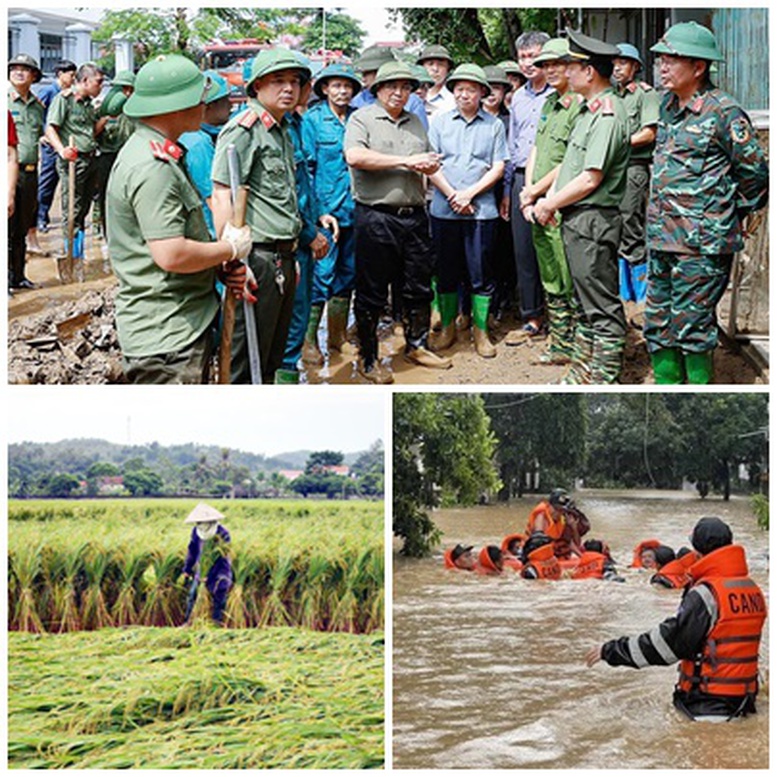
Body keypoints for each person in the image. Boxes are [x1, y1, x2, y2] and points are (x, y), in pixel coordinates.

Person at [106, 54, 252, 384]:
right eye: (198, 97)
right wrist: (229, 249)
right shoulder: (152, 167)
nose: (205, 103)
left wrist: (216, 264)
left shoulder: (162, 151)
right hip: (168, 335)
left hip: (182, 319)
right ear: (176, 105)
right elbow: (171, 254)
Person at [645, 22, 769, 384]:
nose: (663, 66)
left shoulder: (724, 112)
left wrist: (737, 212)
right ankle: (668, 386)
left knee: (692, 325)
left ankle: (695, 393)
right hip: (662, 237)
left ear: (698, 67)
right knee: (658, 321)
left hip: (701, 244)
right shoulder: (667, 107)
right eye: (661, 59)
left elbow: (756, 173)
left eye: (672, 59)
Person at [585, 517, 767, 721]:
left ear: (697, 552)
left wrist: (611, 650)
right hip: (746, 703)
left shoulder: (706, 594)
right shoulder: (753, 589)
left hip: (707, 707)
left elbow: (669, 644)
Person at [344, 60, 453, 383]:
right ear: (378, 89)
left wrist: (434, 171)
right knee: (372, 290)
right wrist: (406, 161)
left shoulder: (416, 122)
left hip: (415, 215)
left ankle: (416, 345)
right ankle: (368, 357)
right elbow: (355, 157)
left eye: (406, 87)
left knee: (418, 285)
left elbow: (428, 159)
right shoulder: (362, 119)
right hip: (376, 216)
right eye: (392, 86)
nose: (399, 92)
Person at [533, 29, 630, 384]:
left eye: (572, 65)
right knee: (587, 304)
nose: (565, 72)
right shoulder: (588, 111)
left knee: (600, 306)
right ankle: (583, 373)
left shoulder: (606, 114)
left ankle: (604, 377)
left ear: (589, 71)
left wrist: (548, 204)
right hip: (578, 218)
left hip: (593, 219)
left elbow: (591, 178)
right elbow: (571, 166)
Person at [212, 49, 311, 384]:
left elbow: (280, 200)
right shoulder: (244, 129)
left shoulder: (281, 130)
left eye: (295, 82)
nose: (289, 89)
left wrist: (289, 251)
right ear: (256, 87)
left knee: (270, 355)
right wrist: (233, 258)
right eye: (278, 81)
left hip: (282, 256)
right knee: (243, 360)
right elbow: (223, 193)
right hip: (256, 258)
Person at [427, 63, 508, 359]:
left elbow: (499, 166)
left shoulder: (494, 125)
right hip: (444, 209)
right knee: (445, 270)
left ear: (482, 93)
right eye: (459, 88)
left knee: (481, 272)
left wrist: (470, 194)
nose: (464, 94)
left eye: (471, 89)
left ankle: (480, 331)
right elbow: (431, 164)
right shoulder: (439, 122)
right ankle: (448, 326)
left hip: (481, 210)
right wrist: (453, 195)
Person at [519, 38, 584, 365]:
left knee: (567, 275)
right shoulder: (549, 105)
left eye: (557, 63)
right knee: (550, 276)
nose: (550, 70)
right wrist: (528, 189)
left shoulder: (581, 106)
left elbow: (569, 160)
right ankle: (559, 345)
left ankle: (576, 345)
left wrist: (538, 193)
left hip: (561, 204)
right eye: (546, 65)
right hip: (537, 203)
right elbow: (536, 150)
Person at [300, 62, 361, 366]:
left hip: (355, 209)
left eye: (347, 86)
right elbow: (306, 171)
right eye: (336, 85)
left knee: (348, 274)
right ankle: (309, 341)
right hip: (326, 213)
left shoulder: (358, 119)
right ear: (324, 89)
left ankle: (337, 337)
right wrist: (316, 211)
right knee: (321, 275)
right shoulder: (312, 121)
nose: (342, 91)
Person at [281, 68, 335, 383]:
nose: (297, 89)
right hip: (287, 242)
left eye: (298, 82)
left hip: (303, 234)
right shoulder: (276, 130)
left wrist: (318, 216)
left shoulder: (297, 124)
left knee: (296, 320)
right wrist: (309, 233)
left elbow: (303, 184)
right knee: (287, 329)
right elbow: (280, 197)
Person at [501, 30, 553, 343]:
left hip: (554, 179)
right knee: (524, 252)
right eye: (523, 57)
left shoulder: (562, 95)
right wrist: (509, 190)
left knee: (554, 250)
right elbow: (512, 145)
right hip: (521, 178)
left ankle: (561, 314)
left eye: (534, 56)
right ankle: (532, 315)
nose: (528, 63)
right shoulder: (518, 97)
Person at [612, 43, 659, 311]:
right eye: (615, 63)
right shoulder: (612, 96)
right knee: (616, 225)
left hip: (634, 167)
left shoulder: (645, 94)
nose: (617, 67)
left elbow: (648, 133)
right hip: (613, 169)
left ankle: (641, 298)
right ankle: (624, 293)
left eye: (623, 62)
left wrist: (618, 142)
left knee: (631, 224)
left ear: (635, 67)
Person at [45, 62, 109, 258]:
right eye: (98, 82)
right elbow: (50, 128)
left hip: (91, 159)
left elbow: (90, 132)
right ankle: (71, 254)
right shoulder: (64, 100)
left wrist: (106, 118)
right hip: (73, 162)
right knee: (71, 209)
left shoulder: (89, 104)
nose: (101, 86)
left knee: (84, 209)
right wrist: (62, 150)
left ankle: (79, 252)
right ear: (85, 81)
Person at [7, 54, 45, 291]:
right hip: (9, 171)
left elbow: (37, 134)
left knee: (21, 228)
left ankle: (18, 276)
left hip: (30, 173)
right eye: (15, 69)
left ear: (34, 76)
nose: (19, 72)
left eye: (25, 69)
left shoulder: (36, 105)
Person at [178, 70, 231, 239]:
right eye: (225, 100)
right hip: (209, 232)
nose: (230, 105)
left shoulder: (188, 135)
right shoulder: (198, 143)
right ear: (208, 106)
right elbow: (215, 199)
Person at [93, 70, 136, 250]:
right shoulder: (103, 109)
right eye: (122, 88)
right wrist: (104, 119)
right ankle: (104, 231)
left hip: (128, 159)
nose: (124, 92)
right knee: (104, 196)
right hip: (106, 158)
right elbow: (92, 134)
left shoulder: (135, 111)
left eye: (127, 89)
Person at [36, 59, 77, 239]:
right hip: (51, 147)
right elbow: (36, 113)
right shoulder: (49, 91)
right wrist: (41, 134)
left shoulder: (69, 94)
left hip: (66, 144)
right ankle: (40, 217)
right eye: (71, 74)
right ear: (60, 74)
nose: (73, 78)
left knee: (69, 183)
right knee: (48, 181)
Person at [351, 45, 428, 129]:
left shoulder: (412, 102)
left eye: (366, 74)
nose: (363, 79)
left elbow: (421, 136)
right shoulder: (357, 101)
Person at [182, 502, 233, 625]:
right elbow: (192, 551)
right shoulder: (196, 532)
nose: (201, 524)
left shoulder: (222, 534)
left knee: (219, 596)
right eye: (198, 522)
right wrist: (187, 569)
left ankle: (217, 623)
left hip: (220, 571)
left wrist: (209, 576)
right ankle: (189, 622)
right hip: (201, 570)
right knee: (192, 595)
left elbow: (222, 558)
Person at [526, 488, 583, 559]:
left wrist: (574, 528)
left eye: (561, 510)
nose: (558, 513)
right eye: (556, 509)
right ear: (549, 505)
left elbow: (574, 543)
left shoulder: (562, 519)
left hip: (554, 551)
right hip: (537, 551)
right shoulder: (541, 517)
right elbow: (538, 542)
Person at [416, 44, 456, 123]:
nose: (435, 69)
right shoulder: (410, 95)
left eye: (441, 65)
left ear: (448, 69)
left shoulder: (454, 100)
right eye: (430, 64)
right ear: (421, 67)